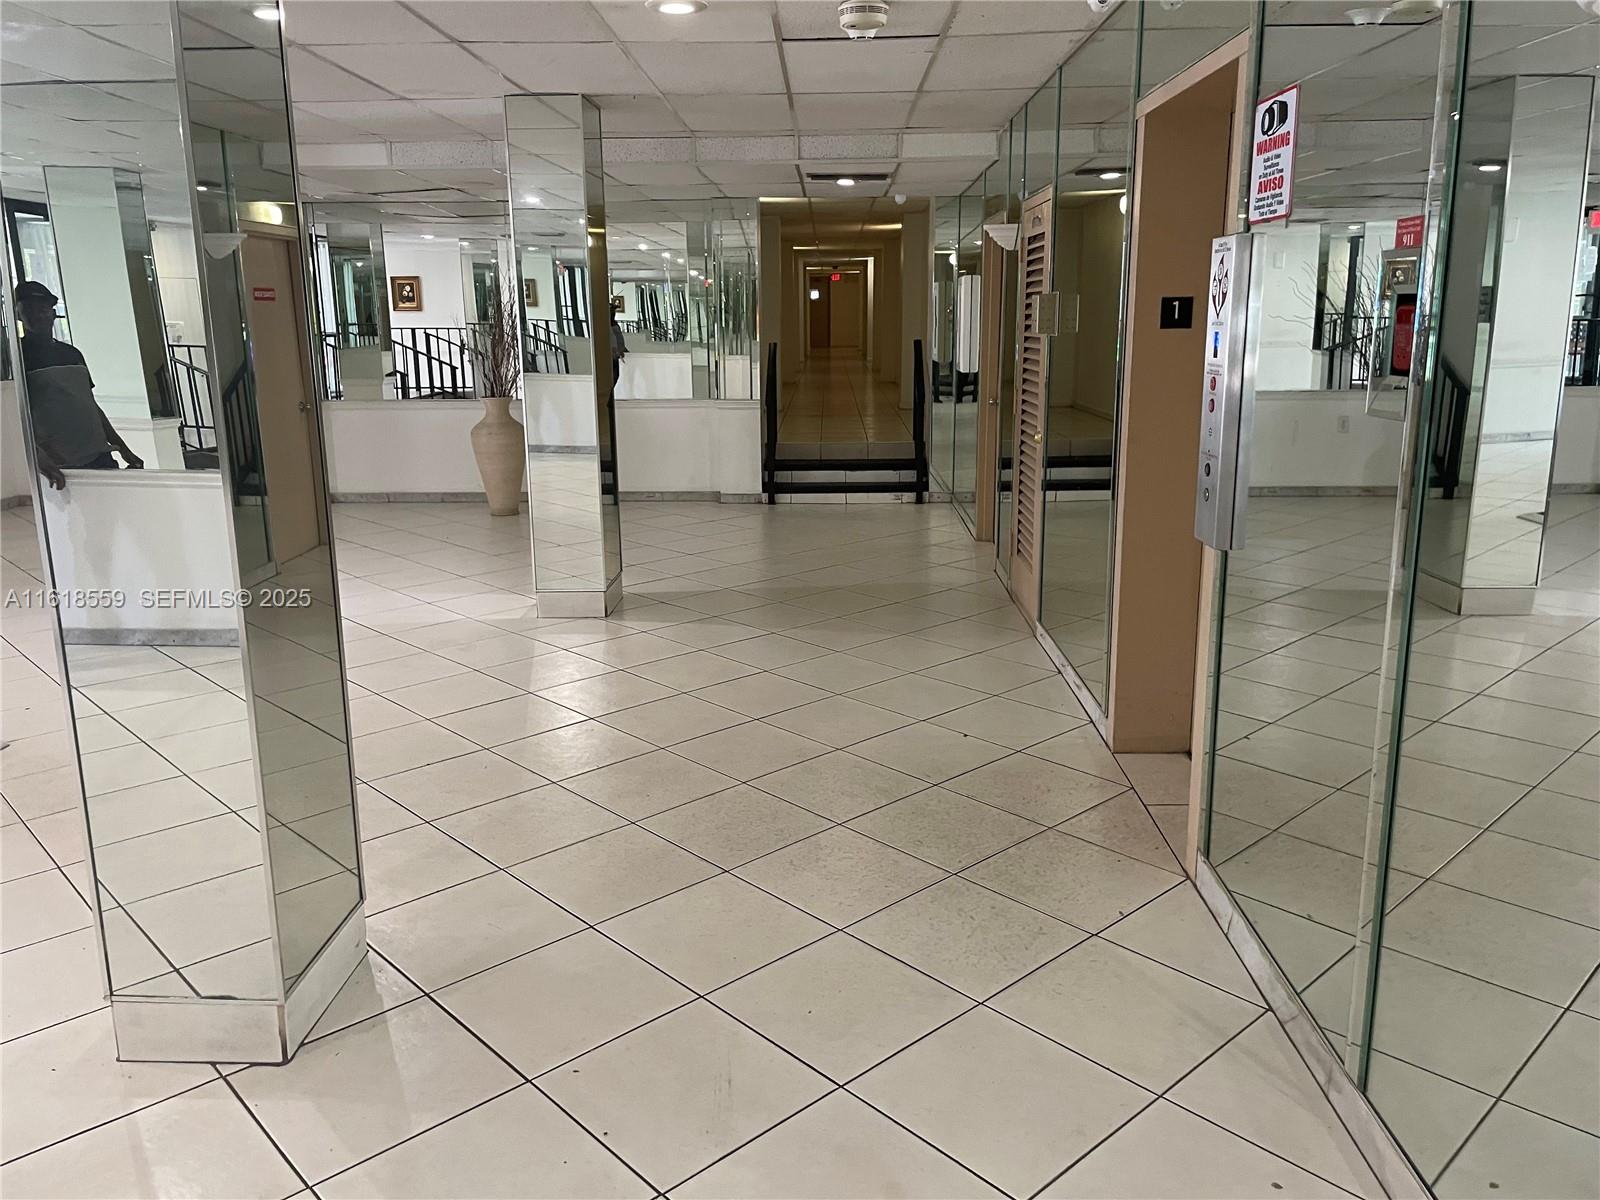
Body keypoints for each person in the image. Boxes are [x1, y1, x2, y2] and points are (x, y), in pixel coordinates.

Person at [13, 280, 143, 489]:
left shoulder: (72, 354)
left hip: (99, 455)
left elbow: (90, 405)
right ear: (18, 314)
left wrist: (122, 447)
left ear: (53, 313)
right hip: (61, 466)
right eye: (30, 309)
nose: (39, 314)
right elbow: (14, 415)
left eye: (44, 308)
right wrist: (37, 456)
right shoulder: (17, 358)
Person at [609, 312, 627, 392]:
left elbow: (619, 338)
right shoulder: (610, 326)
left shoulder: (614, 325)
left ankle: (609, 393)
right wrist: (617, 351)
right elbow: (614, 339)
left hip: (615, 353)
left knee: (615, 375)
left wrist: (622, 349)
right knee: (614, 375)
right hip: (613, 354)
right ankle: (609, 393)